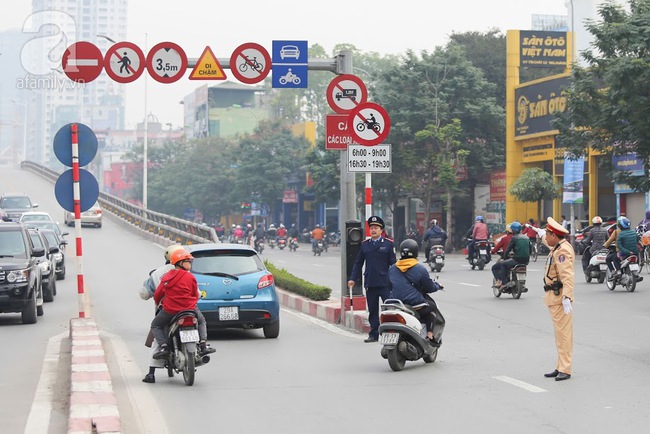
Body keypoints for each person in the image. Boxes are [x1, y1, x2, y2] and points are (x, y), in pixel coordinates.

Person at [140, 245, 214, 383]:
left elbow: (154, 294)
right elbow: (195, 293)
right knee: (202, 321)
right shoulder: (190, 276)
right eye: (188, 261)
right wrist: (191, 301)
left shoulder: (160, 274)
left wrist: (160, 303)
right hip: (190, 309)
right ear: (180, 262)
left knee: (156, 327)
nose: (190, 263)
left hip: (169, 310)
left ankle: (157, 361)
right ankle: (203, 343)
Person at [530, 217, 574, 381]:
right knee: (559, 334)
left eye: (547, 234)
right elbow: (548, 243)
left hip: (560, 297)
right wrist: (539, 233)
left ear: (554, 235)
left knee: (563, 335)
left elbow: (567, 276)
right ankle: (560, 366)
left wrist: (567, 297)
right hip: (554, 297)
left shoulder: (562, 251)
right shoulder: (558, 246)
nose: (545, 237)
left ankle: (565, 368)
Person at [348, 216, 396, 343]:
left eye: (376, 228)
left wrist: (396, 279)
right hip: (371, 283)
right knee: (373, 310)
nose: (373, 230)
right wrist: (353, 278)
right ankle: (374, 334)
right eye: (372, 228)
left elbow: (393, 264)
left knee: (390, 308)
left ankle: (391, 332)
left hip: (385, 283)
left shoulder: (388, 244)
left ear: (381, 230)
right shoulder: (365, 245)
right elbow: (358, 263)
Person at [388, 239, 443, 344]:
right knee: (432, 306)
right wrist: (438, 286)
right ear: (415, 252)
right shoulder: (419, 268)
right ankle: (430, 335)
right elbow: (429, 287)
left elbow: (389, 285)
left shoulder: (392, 268)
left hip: (396, 303)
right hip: (414, 303)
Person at [492, 221, 530, 288]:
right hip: (526, 261)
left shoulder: (514, 238)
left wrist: (504, 257)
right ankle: (522, 283)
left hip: (517, 260)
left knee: (503, 264)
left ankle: (503, 283)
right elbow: (530, 249)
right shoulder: (527, 238)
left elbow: (508, 249)